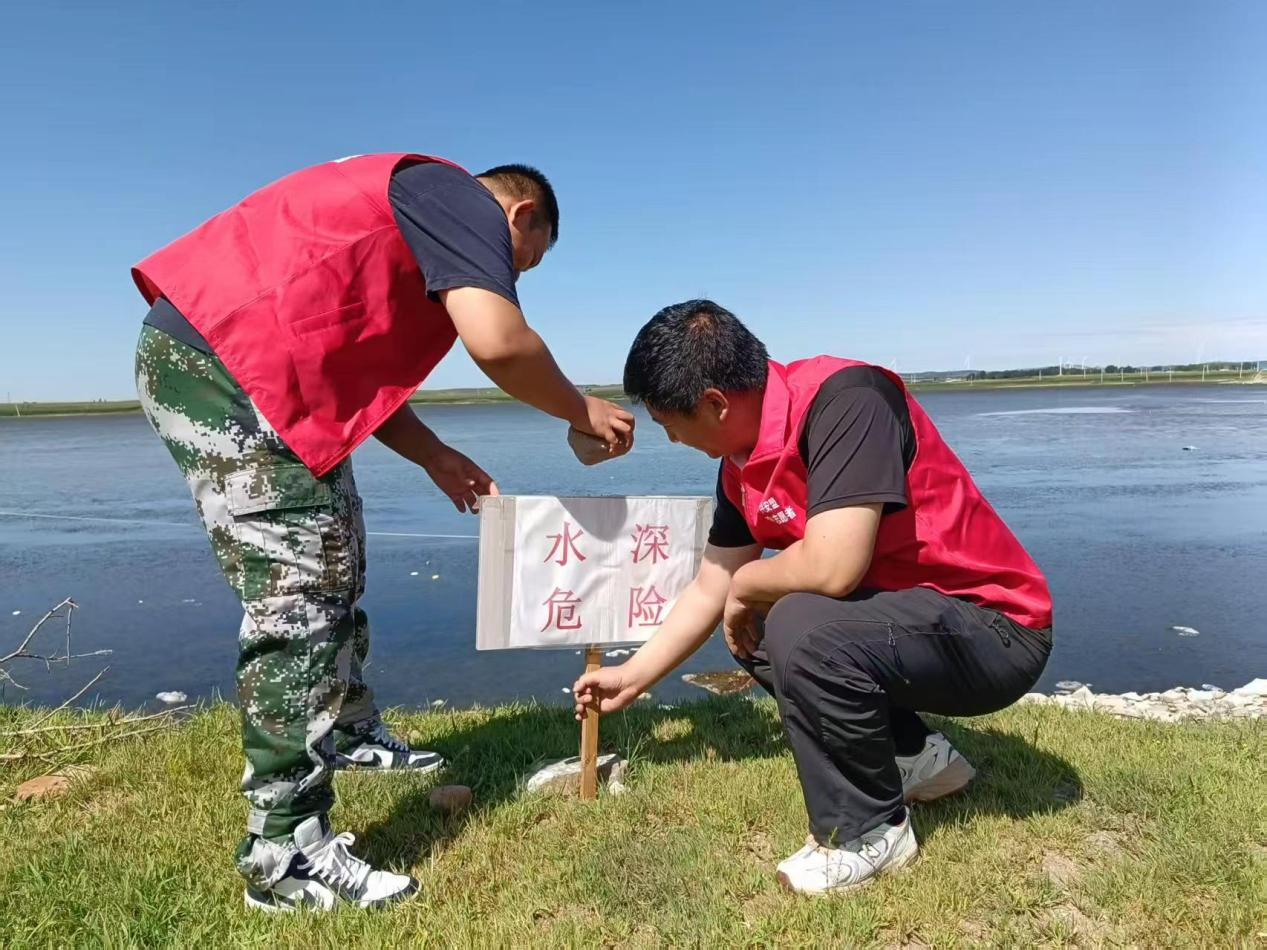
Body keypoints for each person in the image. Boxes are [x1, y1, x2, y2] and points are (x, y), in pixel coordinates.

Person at [132, 152, 634, 912]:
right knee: (298, 594)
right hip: (225, 364)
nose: (505, 275)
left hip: (266, 373)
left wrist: (436, 456)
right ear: (520, 215)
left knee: (336, 555)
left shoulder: (415, 218)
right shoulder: (457, 197)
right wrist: (581, 408)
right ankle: (284, 852)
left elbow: (358, 376)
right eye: (520, 263)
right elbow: (498, 340)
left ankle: (349, 729)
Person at [573, 300, 1051, 896]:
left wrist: (746, 586)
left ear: (716, 404)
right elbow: (712, 583)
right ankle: (915, 756)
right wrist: (633, 675)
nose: (671, 439)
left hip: (996, 630)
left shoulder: (848, 401)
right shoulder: (739, 465)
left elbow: (833, 566)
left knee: (794, 618)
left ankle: (869, 831)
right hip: (915, 625)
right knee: (759, 621)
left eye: (671, 424)